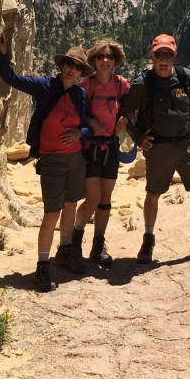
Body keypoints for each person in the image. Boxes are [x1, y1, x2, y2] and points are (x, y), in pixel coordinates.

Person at [119, 34, 190, 268]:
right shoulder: (143, 83)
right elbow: (125, 113)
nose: (163, 59)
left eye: (168, 55)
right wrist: (138, 137)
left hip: (185, 144)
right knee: (153, 193)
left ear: (174, 56)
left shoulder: (186, 78)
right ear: (152, 56)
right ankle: (148, 240)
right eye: (159, 54)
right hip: (158, 146)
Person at [0, 33, 96, 291]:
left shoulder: (79, 95)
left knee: (71, 205)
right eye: (69, 65)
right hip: (52, 159)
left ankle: (65, 251)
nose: (72, 70)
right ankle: (42, 267)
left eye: (77, 68)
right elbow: (10, 78)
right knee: (52, 212)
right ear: (62, 65)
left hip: (76, 158)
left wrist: (79, 133)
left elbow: (87, 127)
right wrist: (4, 54)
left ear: (81, 73)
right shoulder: (44, 86)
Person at [72, 38, 131, 267]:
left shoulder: (121, 85)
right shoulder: (87, 86)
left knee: (105, 201)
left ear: (115, 61)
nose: (105, 60)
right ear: (94, 60)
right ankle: (75, 240)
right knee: (92, 198)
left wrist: (126, 117)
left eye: (109, 57)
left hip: (111, 148)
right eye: (101, 56)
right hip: (90, 148)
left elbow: (130, 106)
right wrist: (90, 122)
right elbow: (76, 113)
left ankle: (98, 245)